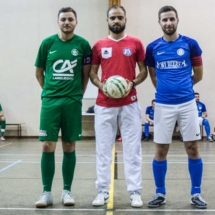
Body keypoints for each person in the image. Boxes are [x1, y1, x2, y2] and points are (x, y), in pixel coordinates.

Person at [145, 6, 207, 209]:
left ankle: (196, 193)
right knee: (161, 149)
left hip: (188, 104)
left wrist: (183, 88)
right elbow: (153, 76)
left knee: (192, 148)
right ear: (159, 23)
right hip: (163, 105)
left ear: (177, 20)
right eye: (164, 20)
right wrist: (165, 91)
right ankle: (160, 192)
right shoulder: (152, 48)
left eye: (171, 19)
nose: (168, 23)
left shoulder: (191, 44)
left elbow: (198, 74)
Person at [89, 5, 147, 208]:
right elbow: (93, 73)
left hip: (130, 103)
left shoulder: (135, 43)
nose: (116, 21)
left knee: (133, 148)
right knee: (103, 149)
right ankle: (102, 191)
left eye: (120, 17)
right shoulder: (98, 45)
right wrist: (101, 85)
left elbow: (143, 72)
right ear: (107, 20)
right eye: (113, 17)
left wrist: (133, 82)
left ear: (125, 19)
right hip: (104, 104)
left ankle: (135, 192)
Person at [34, 7, 91, 208]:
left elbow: (85, 75)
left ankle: (67, 191)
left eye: (70, 19)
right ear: (58, 22)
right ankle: (46, 193)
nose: (67, 22)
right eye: (63, 19)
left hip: (72, 101)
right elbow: (39, 72)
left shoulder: (83, 45)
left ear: (76, 22)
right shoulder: (47, 43)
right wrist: (49, 91)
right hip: (50, 101)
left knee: (69, 145)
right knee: (47, 145)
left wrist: (77, 96)